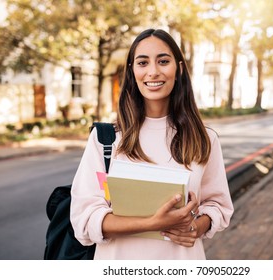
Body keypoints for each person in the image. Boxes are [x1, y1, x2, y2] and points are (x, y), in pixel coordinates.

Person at [71, 28, 234, 259]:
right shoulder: (105, 139)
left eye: (163, 61)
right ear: (132, 71)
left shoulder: (204, 139)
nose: (153, 72)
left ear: (178, 69)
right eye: (143, 62)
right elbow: (84, 220)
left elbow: (217, 205)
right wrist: (152, 223)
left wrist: (196, 228)